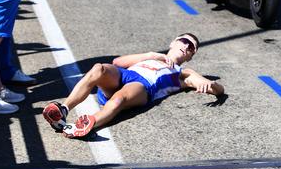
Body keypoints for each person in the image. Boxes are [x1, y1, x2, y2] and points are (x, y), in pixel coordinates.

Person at [42, 33, 224, 138]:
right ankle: (63, 110)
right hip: (126, 74)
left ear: (191, 56)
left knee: (119, 98)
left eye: (192, 48)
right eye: (185, 42)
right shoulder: (153, 56)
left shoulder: (183, 72)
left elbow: (212, 87)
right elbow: (118, 62)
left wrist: (212, 85)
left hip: (144, 86)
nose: (187, 47)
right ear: (173, 42)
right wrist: (151, 55)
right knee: (99, 69)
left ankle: (86, 125)